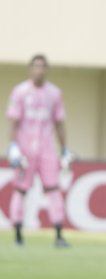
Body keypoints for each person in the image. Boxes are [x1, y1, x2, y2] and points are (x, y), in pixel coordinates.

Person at [5, 54, 74, 247]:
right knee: (20, 190)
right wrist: (13, 147)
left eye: (43, 67)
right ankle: (18, 235)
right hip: (25, 148)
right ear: (30, 69)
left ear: (47, 69)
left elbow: (59, 122)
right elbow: (14, 121)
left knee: (53, 188)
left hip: (47, 149)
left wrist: (65, 148)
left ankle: (59, 235)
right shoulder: (19, 92)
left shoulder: (54, 93)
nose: (39, 70)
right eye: (36, 66)